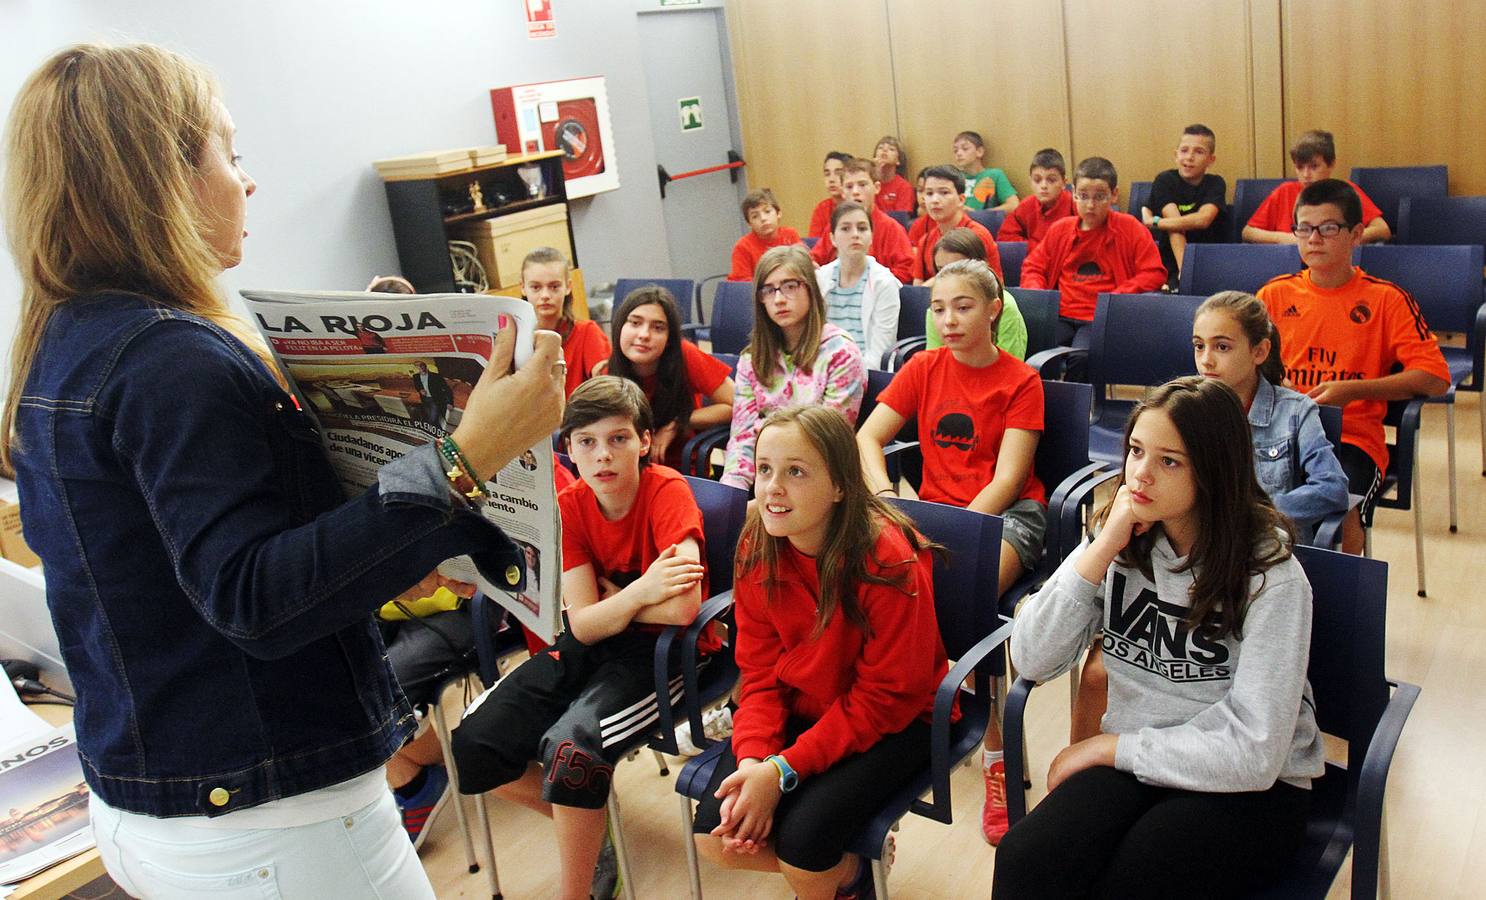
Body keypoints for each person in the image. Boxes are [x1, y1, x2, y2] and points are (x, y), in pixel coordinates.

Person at [3, 43, 565, 898]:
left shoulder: (63, 343)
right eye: (230, 153)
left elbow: (192, 567)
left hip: (159, 797)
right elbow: (254, 601)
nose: (248, 181)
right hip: (271, 823)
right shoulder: (171, 361)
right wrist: (468, 455)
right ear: (163, 179)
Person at [993, 376, 1324, 899]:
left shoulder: (1272, 578)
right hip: (1139, 761)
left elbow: (1256, 752)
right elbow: (1032, 658)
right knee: (1026, 859)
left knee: (1137, 876)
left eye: (1169, 461)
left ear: (1214, 473)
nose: (1139, 475)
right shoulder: (1123, 537)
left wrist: (1110, 747)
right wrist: (1099, 550)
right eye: (1136, 451)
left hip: (1251, 786)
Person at [452, 376, 707, 900]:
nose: (603, 456)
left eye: (618, 439)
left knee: (570, 752)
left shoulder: (668, 490)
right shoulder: (570, 504)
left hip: (664, 655)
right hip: (598, 641)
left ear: (644, 440)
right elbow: (584, 625)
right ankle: (589, 826)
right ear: (569, 449)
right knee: (472, 742)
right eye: (586, 442)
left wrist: (614, 600)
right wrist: (640, 592)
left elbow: (683, 606)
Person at [692, 405, 949, 900]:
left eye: (795, 471)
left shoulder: (887, 557)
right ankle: (848, 872)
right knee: (716, 837)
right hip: (806, 706)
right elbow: (760, 677)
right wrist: (755, 763)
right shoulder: (757, 545)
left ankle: (842, 880)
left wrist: (783, 771)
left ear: (839, 486)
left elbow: (885, 699)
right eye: (764, 469)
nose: (772, 488)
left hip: (897, 721)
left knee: (802, 848)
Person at [857, 259, 1046, 845]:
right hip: (930, 517)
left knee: (963, 603)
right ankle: (907, 713)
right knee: (866, 585)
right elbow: (867, 436)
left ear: (994, 309)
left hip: (1007, 516)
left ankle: (997, 759)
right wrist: (887, 500)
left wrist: (947, 536)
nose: (948, 319)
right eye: (938, 308)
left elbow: (1009, 481)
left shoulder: (1022, 381)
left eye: (962, 306)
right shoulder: (923, 366)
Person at [1257, 178, 1450, 554]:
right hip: (1280, 432)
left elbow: (1436, 378)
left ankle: (1336, 603)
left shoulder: (1386, 300)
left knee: (1337, 512)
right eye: (1304, 228)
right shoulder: (1274, 294)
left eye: (1328, 228)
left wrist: (1355, 391)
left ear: (1357, 234)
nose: (1314, 238)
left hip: (1351, 437)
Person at [1193, 291, 1350, 538]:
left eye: (1221, 347)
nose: (1206, 361)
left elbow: (1332, 488)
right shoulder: (1186, 408)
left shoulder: (1296, 411)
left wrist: (1253, 513)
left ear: (1260, 352)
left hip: (1268, 554)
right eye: (1199, 346)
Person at [722, 246, 866, 490]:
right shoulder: (752, 358)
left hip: (819, 478)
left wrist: (765, 500)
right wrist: (732, 493)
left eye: (790, 286)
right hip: (765, 478)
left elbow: (828, 442)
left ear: (810, 288)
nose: (779, 299)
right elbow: (742, 436)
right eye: (768, 290)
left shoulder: (841, 353)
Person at [1020, 156, 1167, 351]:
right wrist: (1039, 295)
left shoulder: (1131, 228)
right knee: (1031, 344)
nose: (1090, 205)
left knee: (1081, 357)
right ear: (1073, 194)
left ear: (1114, 195)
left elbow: (1154, 273)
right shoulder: (1060, 229)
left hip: (1100, 317)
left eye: (1099, 196)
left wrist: (1116, 297)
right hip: (1060, 314)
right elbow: (1033, 267)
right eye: (1083, 195)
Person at [599, 285, 735, 466]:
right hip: (626, 468)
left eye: (658, 328)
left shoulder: (684, 353)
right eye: (635, 323)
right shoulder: (606, 370)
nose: (644, 335)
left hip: (682, 468)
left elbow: (737, 404)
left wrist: (679, 422)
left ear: (669, 338)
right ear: (619, 327)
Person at [1242, 129, 1391, 245]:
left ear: (1331, 164)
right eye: (1300, 167)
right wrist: (1285, 238)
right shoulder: (1284, 191)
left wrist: (1341, 240)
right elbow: (1248, 233)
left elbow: (1382, 230)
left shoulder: (1345, 190)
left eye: (1314, 167)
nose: (1306, 174)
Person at [814, 200, 902, 366]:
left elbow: (879, 353)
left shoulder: (884, 283)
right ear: (832, 238)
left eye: (862, 228)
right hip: (823, 369)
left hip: (866, 373)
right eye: (845, 228)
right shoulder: (820, 279)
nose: (855, 234)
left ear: (871, 237)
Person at [1141, 124, 1228, 287]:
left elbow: (1203, 220)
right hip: (1172, 261)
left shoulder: (1216, 183)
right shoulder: (1165, 180)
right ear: (1175, 155)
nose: (1189, 157)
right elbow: (1175, 225)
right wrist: (1187, 273)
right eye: (1184, 150)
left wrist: (1154, 222)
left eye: (1199, 152)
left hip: (1210, 258)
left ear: (1211, 159)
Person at [922, 229, 1028, 360]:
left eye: (957, 267)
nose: (949, 275)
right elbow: (933, 360)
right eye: (941, 269)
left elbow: (1011, 367)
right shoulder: (935, 309)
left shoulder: (1006, 306)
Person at [521, 245, 610, 397]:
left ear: (568, 287)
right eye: (536, 287)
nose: (545, 295)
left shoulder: (587, 331)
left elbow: (608, 384)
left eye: (554, 286)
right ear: (523, 288)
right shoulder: (516, 339)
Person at [810, 157, 914, 283]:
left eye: (862, 185)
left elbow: (907, 270)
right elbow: (814, 260)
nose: (855, 192)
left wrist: (866, 280)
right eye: (849, 186)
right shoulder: (835, 227)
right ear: (842, 192)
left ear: (876, 188)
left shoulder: (891, 228)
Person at [911, 165, 1003, 285]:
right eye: (929, 193)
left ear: (961, 199)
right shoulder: (925, 240)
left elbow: (992, 286)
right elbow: (918, 289)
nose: (934, 200)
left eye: (944, 192)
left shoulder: (978, 235)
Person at [997, 148, 1076, 250]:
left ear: (1064, 183)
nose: (1043, 186)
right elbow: (1005, 237)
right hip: (1034, 259)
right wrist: (1035, 248)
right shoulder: (1026, 205)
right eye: (1037, 180)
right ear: (1030, 181)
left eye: (1051, 180)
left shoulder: (1074, 205)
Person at [730, 188, 802, 282]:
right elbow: (742, 284)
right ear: (749, 223)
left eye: (767, 211)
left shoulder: (790, 235)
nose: (763, 218)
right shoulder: (742, 247)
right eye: (755, 216)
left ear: (778, 213)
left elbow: (803, 267)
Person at [952, 130, 1018, 212]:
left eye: (965, 149)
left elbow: (1013, 205)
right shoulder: (953, 179)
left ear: (979, 151)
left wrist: (979, 214)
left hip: (983, 223)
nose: (959, 153)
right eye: (955, 150)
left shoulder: (994, 175)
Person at [807, 151, 851, 240]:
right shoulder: (821, 209)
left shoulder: (861, 206)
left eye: (838, 173)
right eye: (827, 174)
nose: (831, 179)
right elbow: (814, 244)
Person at [871, 135, 915, 213]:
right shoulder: (868, 183)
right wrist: (875, 177)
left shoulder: (904, 187)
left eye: (891, 149)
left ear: (898, 160)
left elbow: (901, 218)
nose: (884, 150)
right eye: (880, 148)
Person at [411, 360, 454, 429]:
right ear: (416, 368)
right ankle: (436, 434)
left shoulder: (436, 376)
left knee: (432, 419)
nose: (420, 367)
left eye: (421, 365)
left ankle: (429, 433)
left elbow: (446, 389)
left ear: (425, 366)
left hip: (435, 400)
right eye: (418, 366)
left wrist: (449, 402)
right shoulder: (415, 376)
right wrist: (420, 390)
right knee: (432, 419)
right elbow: (417, 385)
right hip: (425, 400)